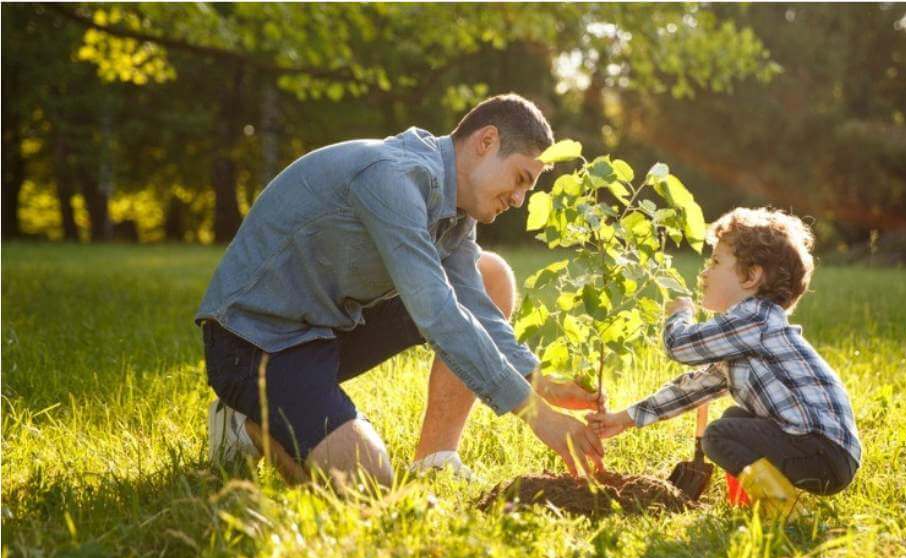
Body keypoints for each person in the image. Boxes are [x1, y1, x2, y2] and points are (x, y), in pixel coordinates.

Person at [196, 94, 605, 489]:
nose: (518, 199)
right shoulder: (393, 177)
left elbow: (476, 307)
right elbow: (438, 314)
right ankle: (244, 424)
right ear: (486, 141)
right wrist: (538, 416)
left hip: (325, 329)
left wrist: (539, 380)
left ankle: (435, 460)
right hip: (254, 343)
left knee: (490, 275)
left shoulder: (458, 211)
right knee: (368, 484)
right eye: (520, 180)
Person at [587, 207, 861, 512]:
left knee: (718, 436)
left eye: (715, 262)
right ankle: (749, 504)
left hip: (821, 450)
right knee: (733, 419)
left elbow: (679, 346)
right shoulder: (745, 336)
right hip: (826, 452)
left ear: (751, 276)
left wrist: (679, 314)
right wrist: (622, 419)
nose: (704, 272)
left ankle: (785, 510)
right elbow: (690, 389)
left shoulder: (754, 318)